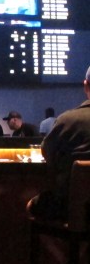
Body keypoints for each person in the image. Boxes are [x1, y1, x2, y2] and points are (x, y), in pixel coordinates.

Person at [28, 67, 90, 222]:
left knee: (31, 206)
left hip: (72, 207)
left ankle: (67, 247)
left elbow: (47, 153)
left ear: (85, 85)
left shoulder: (67, 120)